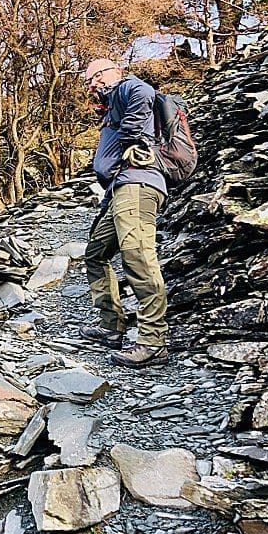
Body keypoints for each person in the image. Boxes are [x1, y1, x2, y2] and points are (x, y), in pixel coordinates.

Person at [83, 57, 169, 368]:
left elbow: (144, 93)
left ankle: (153, 342)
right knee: (95, 254)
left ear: (115, 71)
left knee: (138, 256)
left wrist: (130, 136)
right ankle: (111, 326)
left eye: (97, 76)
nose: (93, 83)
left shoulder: (126, 87)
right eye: (89, 80)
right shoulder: (111, 105)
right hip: (119, 188)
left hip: (137, 184)